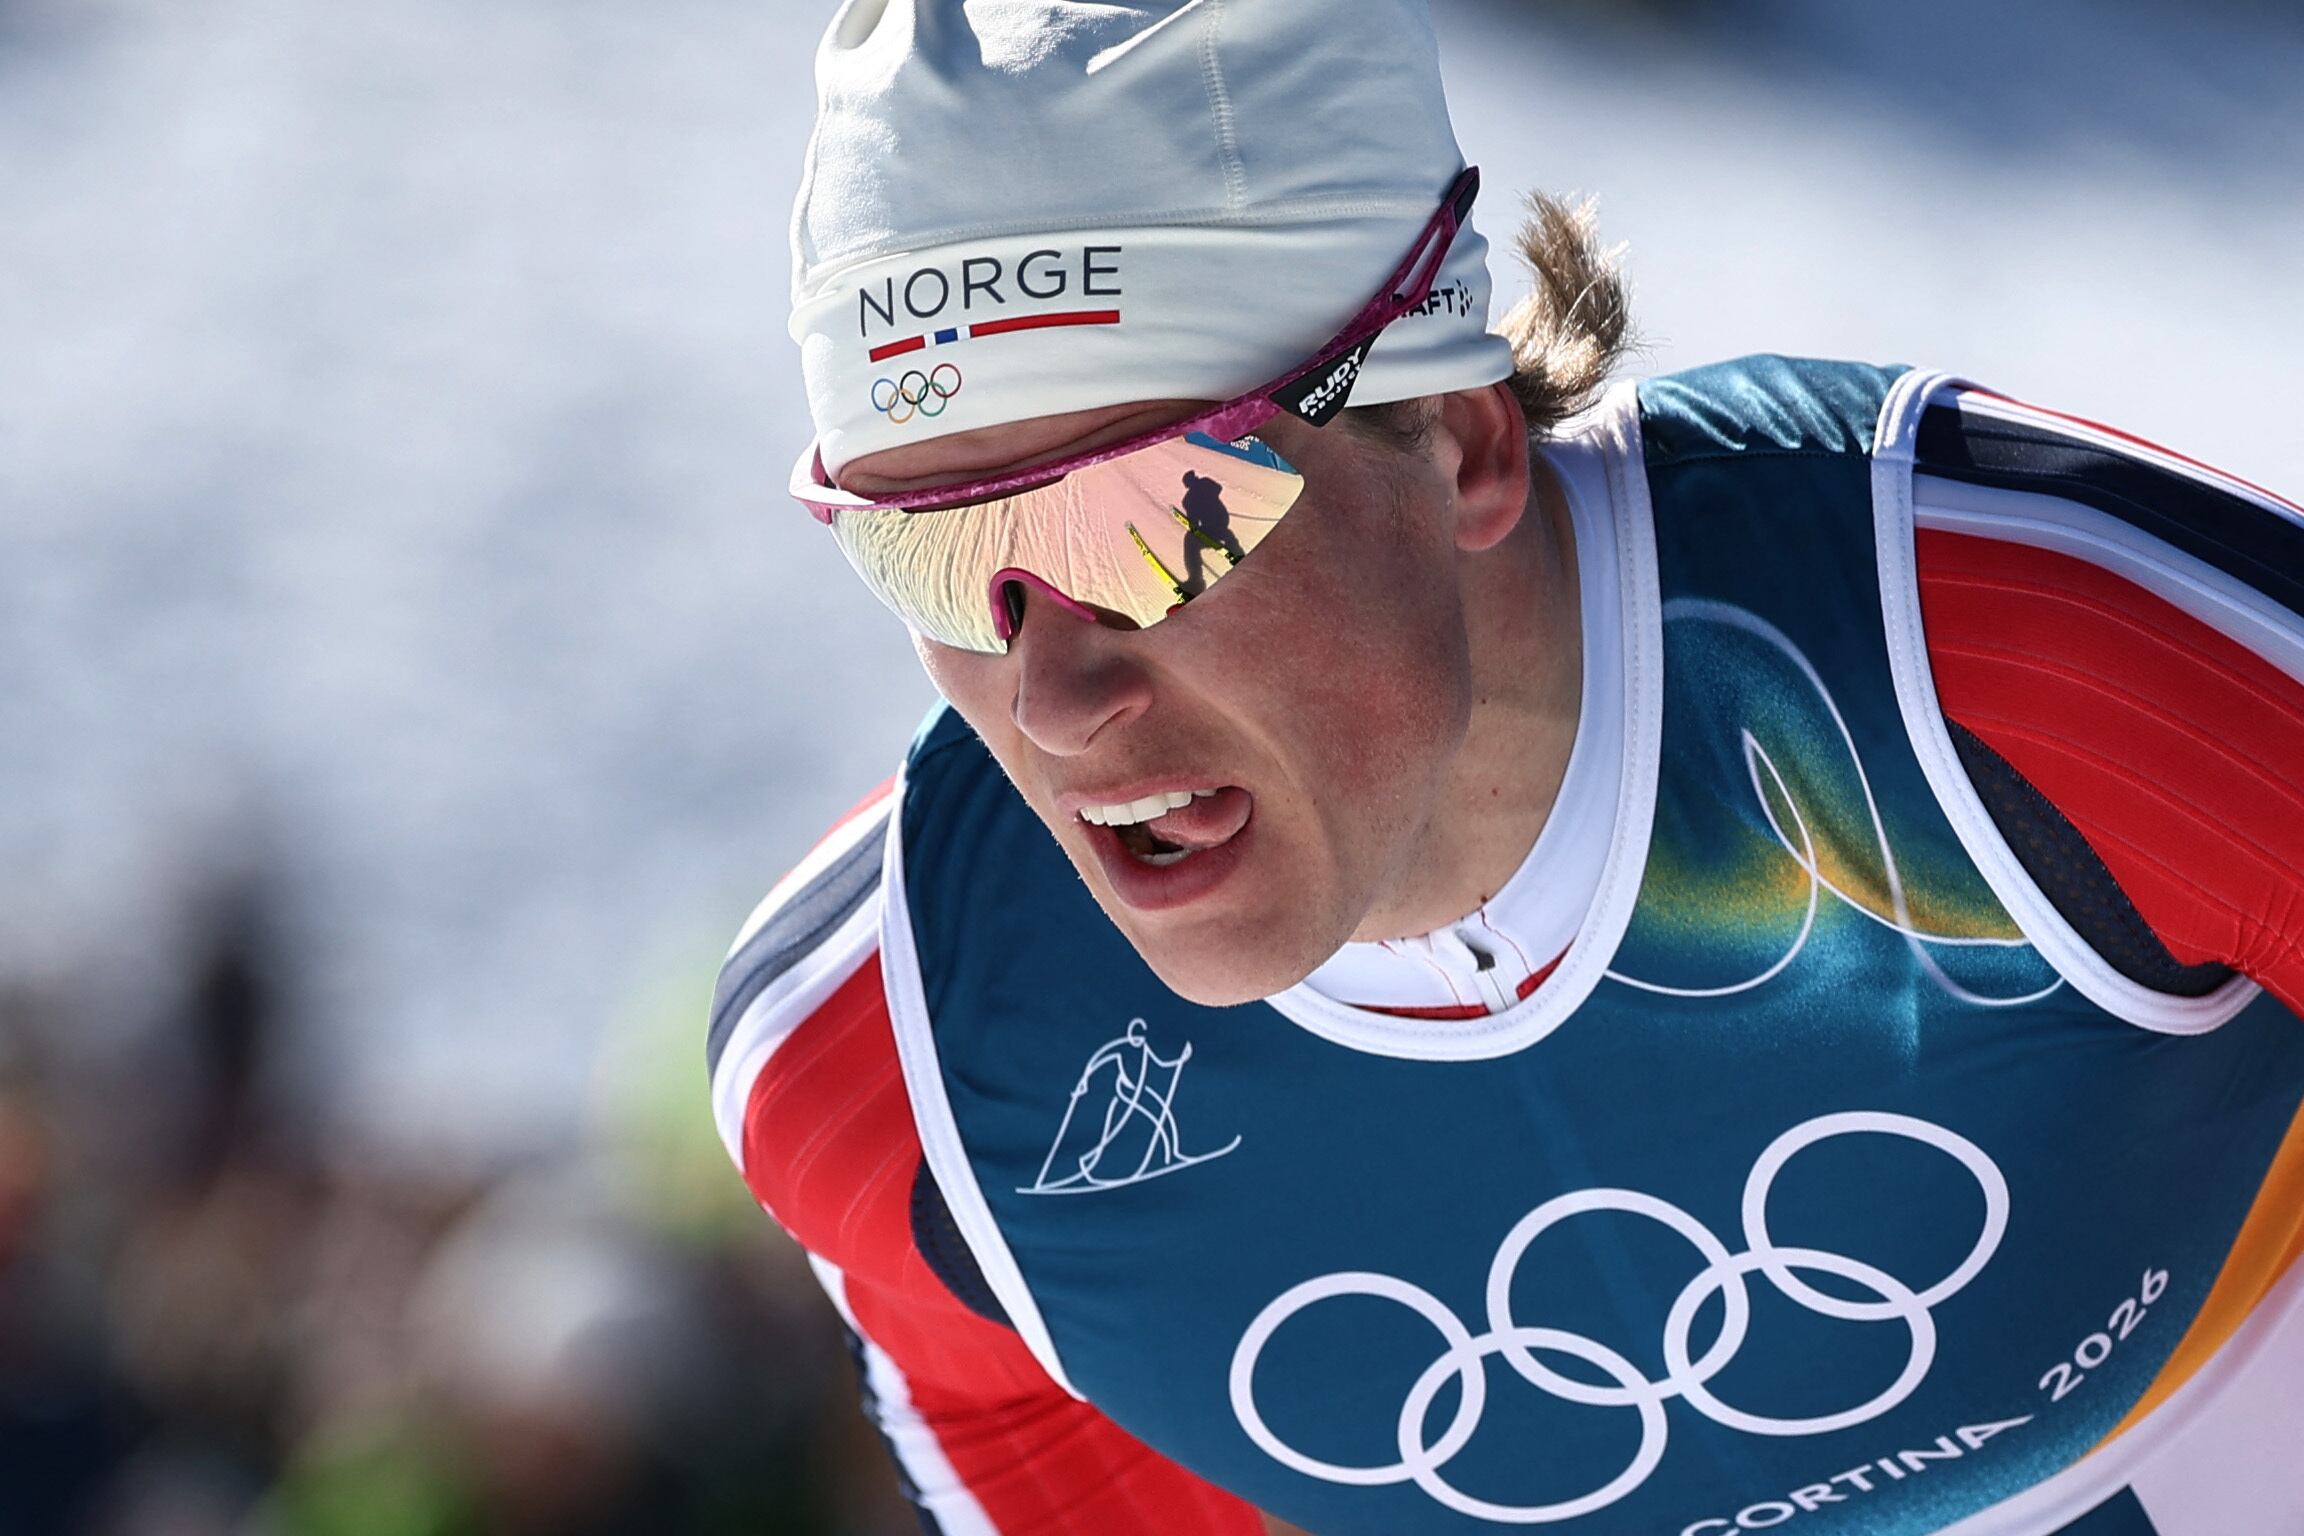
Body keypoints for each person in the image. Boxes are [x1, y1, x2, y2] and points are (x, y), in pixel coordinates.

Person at [706, 3, 2304, 1532]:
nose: (1049, 696)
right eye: (922, 559)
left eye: (1144, 526)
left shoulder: (2002, 651)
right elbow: (1013, 1422)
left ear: (1460, 442)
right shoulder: (894, 1070)